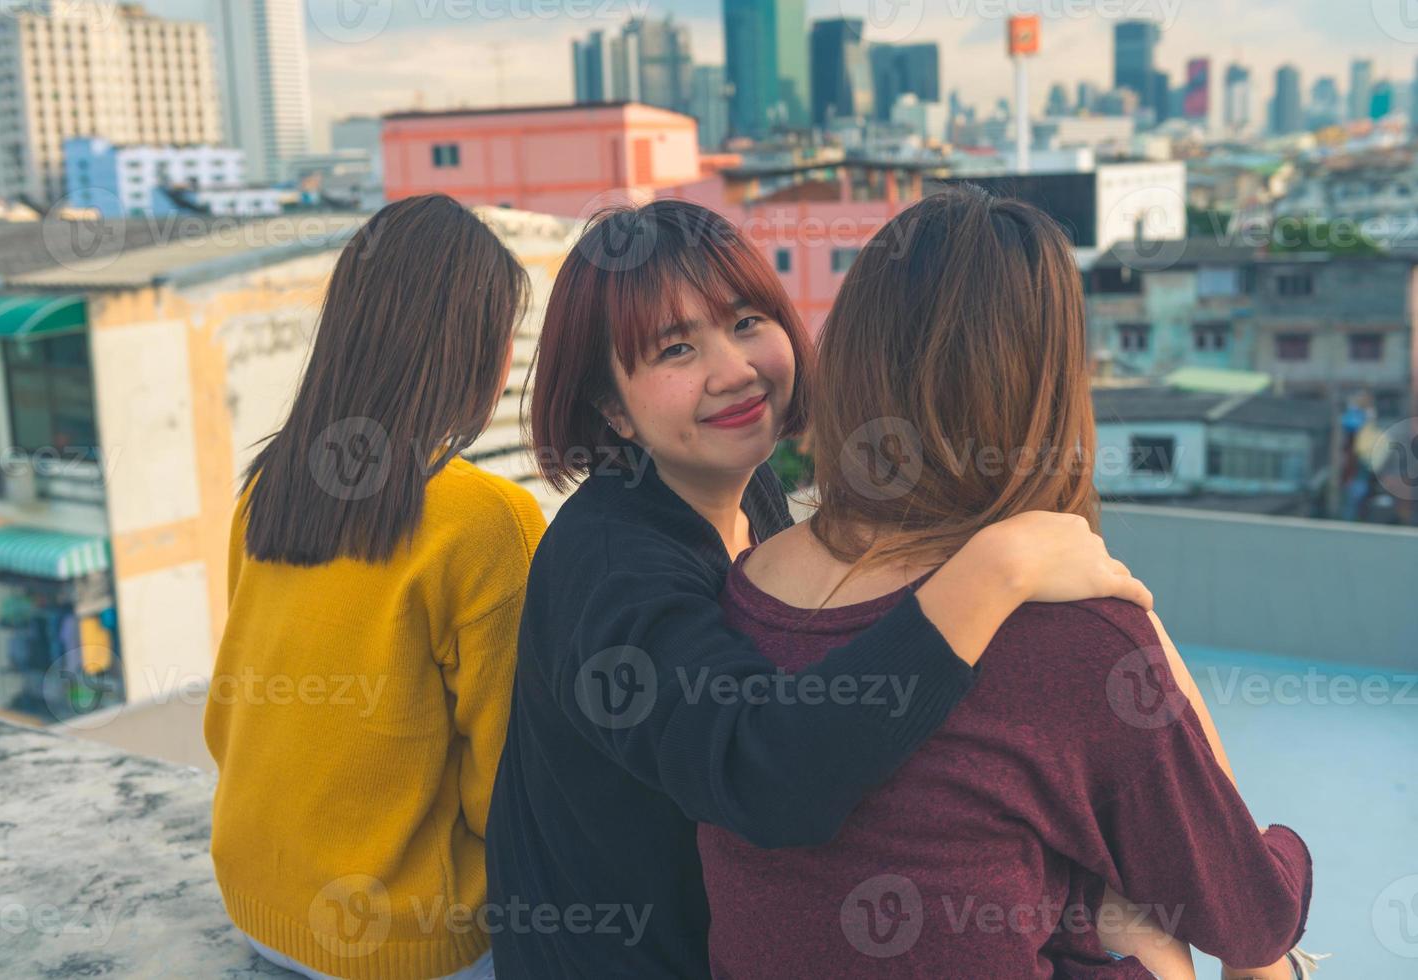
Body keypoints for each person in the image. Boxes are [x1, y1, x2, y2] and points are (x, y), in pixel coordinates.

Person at [485, 199, 1158, 978]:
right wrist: (994, 570)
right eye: (676, 349)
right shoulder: (610, 566)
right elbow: (765, 775)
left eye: (746, 323)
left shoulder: (754, 495)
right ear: (612, 409)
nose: (734, 370)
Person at [696, 187, 1315, 979]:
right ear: (1048, 386)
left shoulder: (748, 586)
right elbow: (1252, 917)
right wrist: (1284, 845)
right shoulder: (1073, 642)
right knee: (1230, 960)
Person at [205, 195, 539, 980]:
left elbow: (231, 715)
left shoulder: (270, 483)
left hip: (257, 902)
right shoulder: (487, 519)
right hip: (408, 945)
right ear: (478, 354)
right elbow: (515, 788)